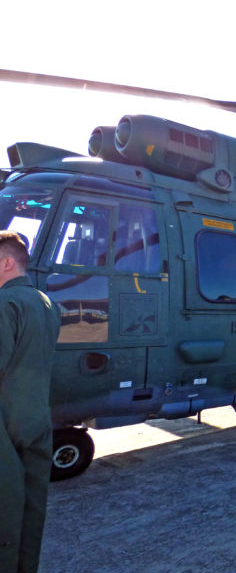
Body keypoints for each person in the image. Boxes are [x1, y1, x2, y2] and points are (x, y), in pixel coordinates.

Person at [0, 230, 61, 573]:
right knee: (31, 513)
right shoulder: (47, 303)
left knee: (5, 519)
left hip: (6, 428)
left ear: (7, 263)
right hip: (37, 421)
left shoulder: (4, 304)